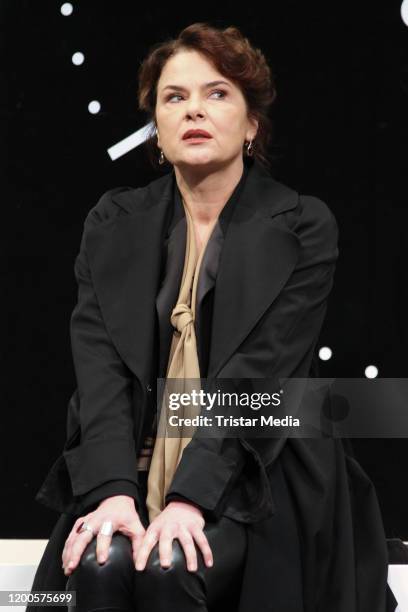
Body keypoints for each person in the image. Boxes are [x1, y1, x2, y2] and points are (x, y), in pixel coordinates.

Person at [29, 21, 398, 612]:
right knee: (103, 565)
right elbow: (98, 373)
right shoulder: (111, 222)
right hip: (134, 463)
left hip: (256, 468)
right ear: (158, 129)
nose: (193, 109)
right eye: (174, 98)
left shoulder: (302, 225)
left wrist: (189, 501)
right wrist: (111, 493)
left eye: (217, 93)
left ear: (252, 124)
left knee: (172, 567)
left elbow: (258, 377)